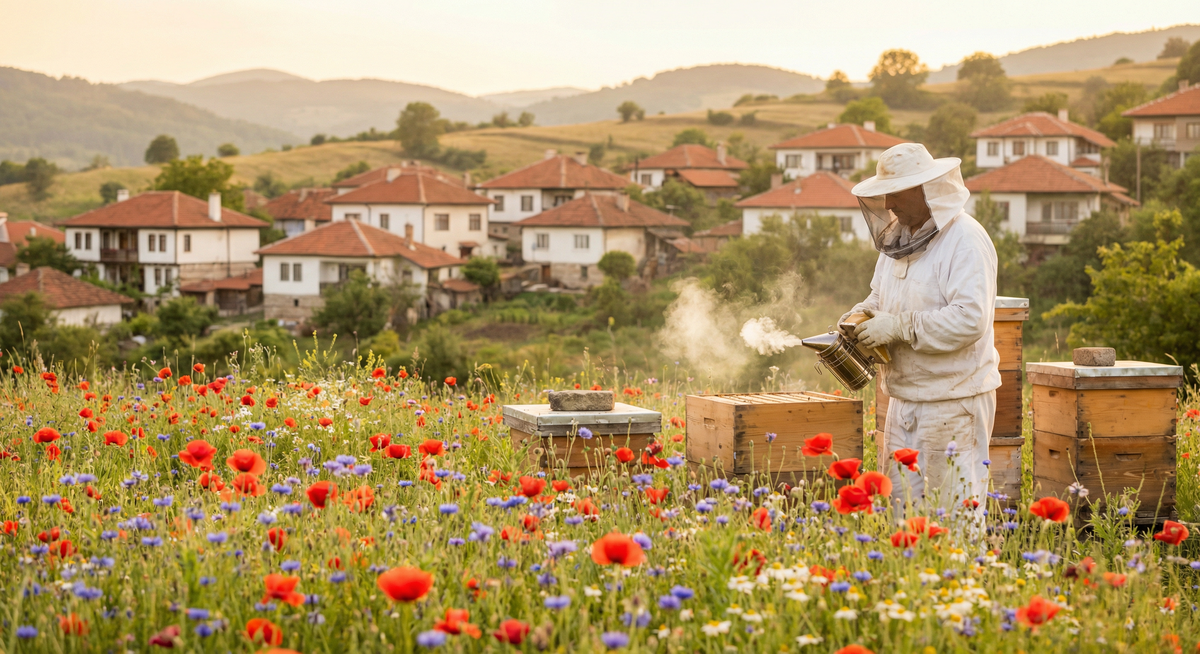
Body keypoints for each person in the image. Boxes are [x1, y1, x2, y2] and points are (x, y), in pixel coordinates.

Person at [842, 142, 1000, 510]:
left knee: (952, 516)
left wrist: (901, 327)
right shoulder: (899, 239)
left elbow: (970, 318)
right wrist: (860, 315)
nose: (888, 204)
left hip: (953, 401)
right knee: (903, 514)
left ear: (926, 189)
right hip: (904, 400)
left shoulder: (965, 240)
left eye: (896, 193)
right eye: (884, 194)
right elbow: (879, 296)